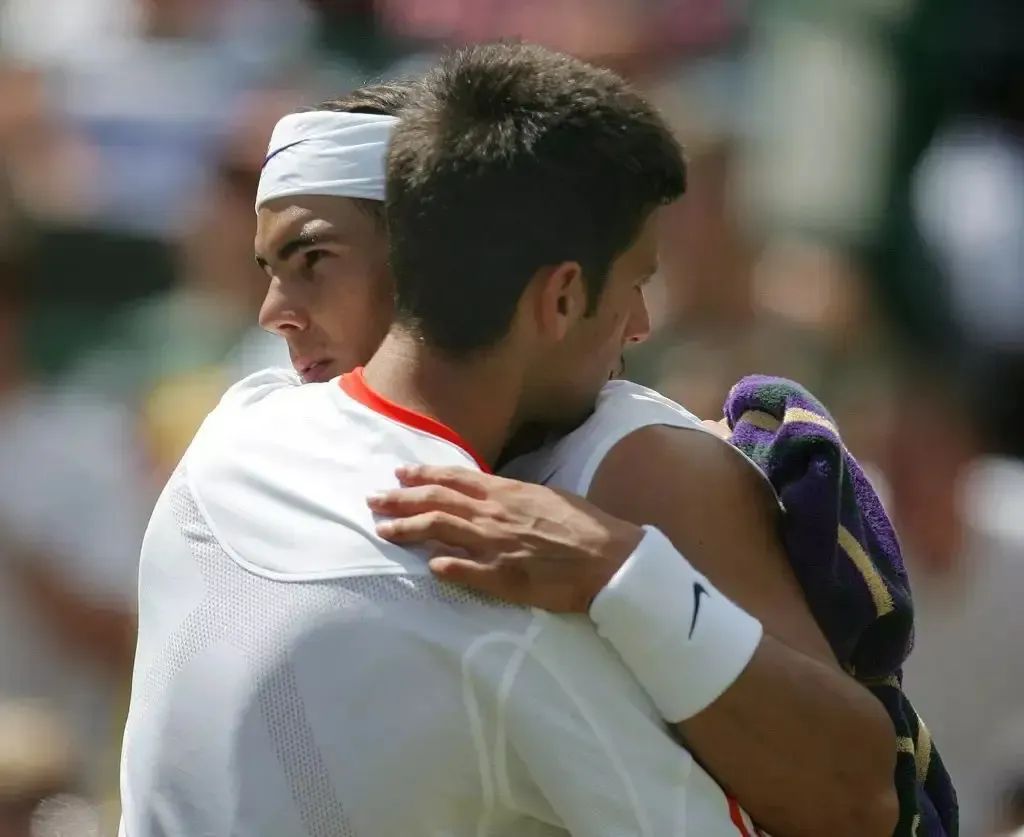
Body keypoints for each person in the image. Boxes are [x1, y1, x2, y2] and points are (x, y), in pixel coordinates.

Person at [119, 43, 897, 836]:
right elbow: (855, 807)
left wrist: (623, 567)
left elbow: (855, 786)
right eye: (632, 284)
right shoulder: (497, 606)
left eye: (313, 258)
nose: (273, 309)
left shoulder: (636, 454)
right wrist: (623, 573)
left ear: (419, 252)